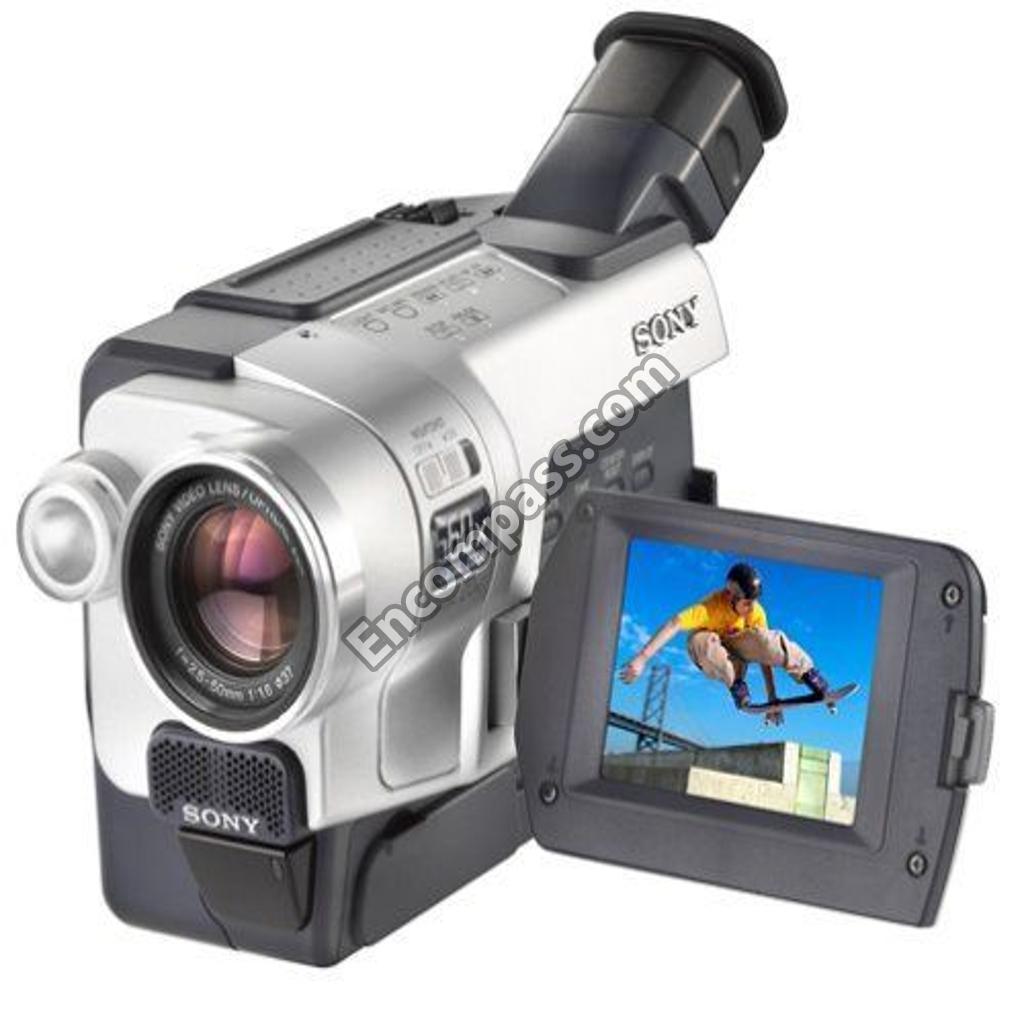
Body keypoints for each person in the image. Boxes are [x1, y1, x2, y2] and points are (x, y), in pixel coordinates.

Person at [619, 562, 830, 713]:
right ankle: (737, 685)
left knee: (766, 638)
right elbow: (675, 623)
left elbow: (766, 654)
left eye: (754, 602)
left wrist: (772, 696)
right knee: (701, 641)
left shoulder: (755, 611)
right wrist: (642, 657)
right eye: (746, 603)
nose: (751, 608)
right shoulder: (710, 606)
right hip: (710, 655)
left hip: (738, 653)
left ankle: (810, 675)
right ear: (730, 596)